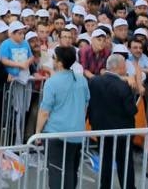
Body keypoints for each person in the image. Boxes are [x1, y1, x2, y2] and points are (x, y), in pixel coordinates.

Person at [36, 46, 90, 189]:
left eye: (53, 58)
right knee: (71, 170)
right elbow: (85, 105)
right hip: (76, 132)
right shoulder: (82, 80)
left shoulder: (52, 82)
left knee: (56, 172)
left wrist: (37, 132)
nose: (52, 60)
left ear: (59, 62)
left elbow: (44, 112)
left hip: (57, 133)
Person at [87, 54, 137, 189]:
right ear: (120, 67)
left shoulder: (94, 81)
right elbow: (131, 110)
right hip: (122, 131)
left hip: (101, 128)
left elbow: (90, 104)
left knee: (105, 159)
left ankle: (105, 186)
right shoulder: (123, 86)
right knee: (124, 162)